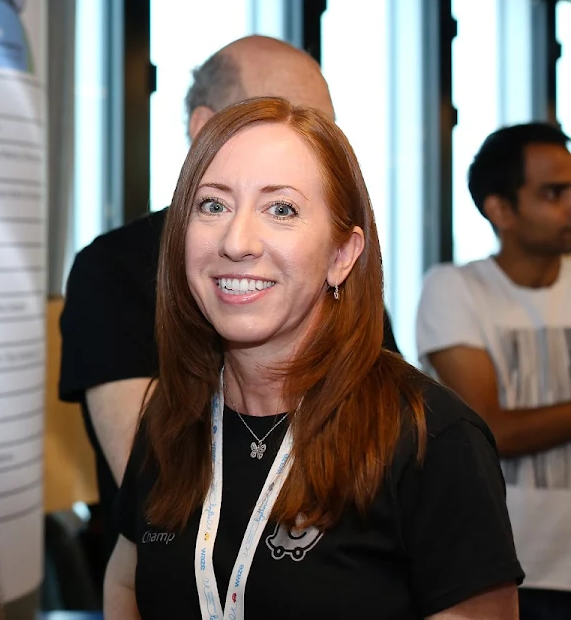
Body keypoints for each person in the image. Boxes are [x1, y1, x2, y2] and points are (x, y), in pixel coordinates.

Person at [104, 97, 522, 619]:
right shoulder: (173, 414)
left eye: (282, 209)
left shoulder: (430, 440)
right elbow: (125, 584)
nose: (237, 242)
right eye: (213, 205)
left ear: (342, 255)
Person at [57, 35, 399, 570]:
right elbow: (159, 496)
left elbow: (386, 448)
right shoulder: (116, 268)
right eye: (277, 117)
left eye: (321, 128)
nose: (303, 142)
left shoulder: (333, 278)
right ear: (203, 130)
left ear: (342, 253)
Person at [416, 122, 571, 619]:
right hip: (506, 567)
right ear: (500, 209)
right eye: (554, 192)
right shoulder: (454, 289)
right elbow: (490, 428)